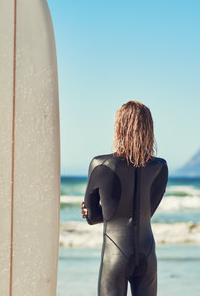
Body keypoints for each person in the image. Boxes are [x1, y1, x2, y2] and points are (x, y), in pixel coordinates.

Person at [81, 100, 168, 296]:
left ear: (120, 128)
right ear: (148, 129)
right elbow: (147, 211)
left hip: (115, 254)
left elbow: (92, 216)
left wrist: (98, 212)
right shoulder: (160, 167)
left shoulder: (101, 164)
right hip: (148, 255)